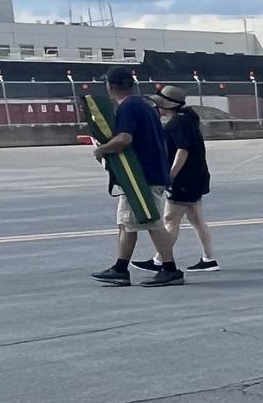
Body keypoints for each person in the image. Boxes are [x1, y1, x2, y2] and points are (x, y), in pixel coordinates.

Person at [90, 68, 182, 286]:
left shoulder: (128, 107)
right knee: (128, 223)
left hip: (140, 178)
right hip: (149, 174)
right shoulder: (145, 105)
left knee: (150, 221)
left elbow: (124, 139)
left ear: (110, 87)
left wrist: (102, 149)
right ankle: (121, 268)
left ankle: (170, 269)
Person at [132, 86, 218, 274]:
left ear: (166, 105)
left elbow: (182, 150)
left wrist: (170, 176)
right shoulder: (188, 119)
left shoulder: (177, 124)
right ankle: (209, 258)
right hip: (195, 177)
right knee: (196, 219)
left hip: (184, 180)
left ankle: (160, 259)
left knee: (170, 219)